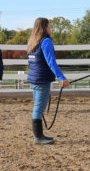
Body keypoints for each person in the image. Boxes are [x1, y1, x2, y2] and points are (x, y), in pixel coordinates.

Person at [27, 17, 69, 145]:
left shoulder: (33, 42)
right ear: (45, 27)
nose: (50, 27)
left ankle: (39, 135)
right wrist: (61, 77)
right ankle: (38, 137)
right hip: (41, 80)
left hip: (34, 79)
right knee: (39, 109)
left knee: (37, 108)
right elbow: (51, 62)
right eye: (49, 25)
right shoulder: (46, 41)